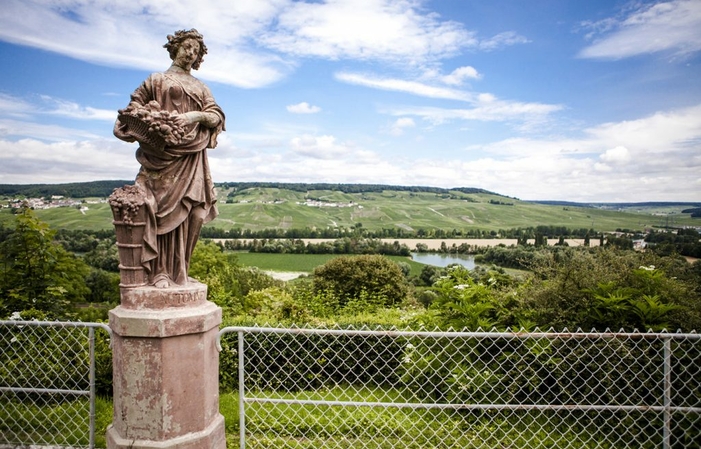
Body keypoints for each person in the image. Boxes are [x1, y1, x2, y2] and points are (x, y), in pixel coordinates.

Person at [113, 29, 225, 288]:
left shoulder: (200, 87)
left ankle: (181, 271)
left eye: (196, 50)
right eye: (187, 47)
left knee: (196, 214)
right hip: (160, 156)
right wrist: (134, 126)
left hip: (192, 158)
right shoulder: (156, 80)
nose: (191, 53)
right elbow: (131, 111)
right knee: (160, 214)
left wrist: (193, 117)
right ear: (175, 48)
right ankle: (160, 272)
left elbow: (216, 116)